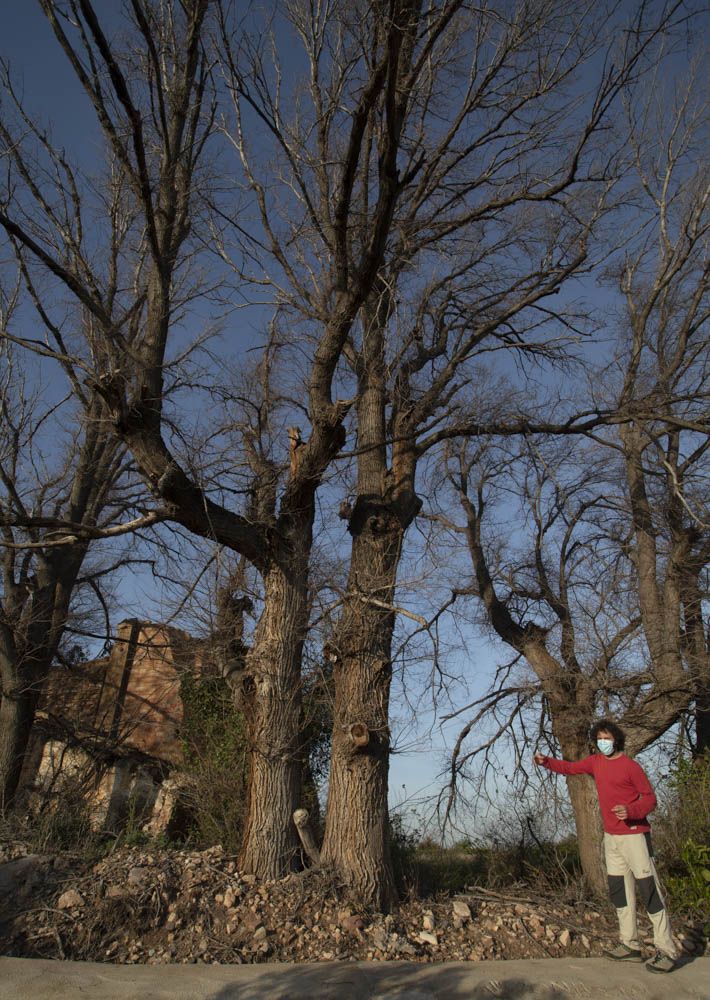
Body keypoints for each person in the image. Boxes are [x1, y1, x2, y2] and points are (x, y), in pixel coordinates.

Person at [533, 719, 678, 974]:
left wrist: (631, 811)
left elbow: (650, 799)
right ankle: (629, 945)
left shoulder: (631, 767)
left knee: (649, 890)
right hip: (611, 837)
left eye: (607, 738)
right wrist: (546, 762)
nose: (603, 742)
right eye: (599, 738)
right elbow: (570, 767)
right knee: (619, 891)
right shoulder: (595, 762)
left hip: (635, 835)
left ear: (616, 739)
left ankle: (666, 950)